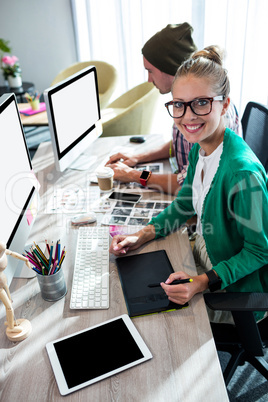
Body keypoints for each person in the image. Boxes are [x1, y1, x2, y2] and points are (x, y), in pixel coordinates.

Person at [109, 46, 268, 323]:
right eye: (179, 104)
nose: (188, 116)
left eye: (202, 103)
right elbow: (185, 202)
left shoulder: (241, 172)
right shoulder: (201, 147)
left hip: (236, 288)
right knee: (126, 286)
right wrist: (142, 234)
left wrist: (201, 282)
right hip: (208, 252)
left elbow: (259, 251)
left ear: (225, 104)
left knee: (152, 321)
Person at [106, 23, 242, 195]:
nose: (148, 79)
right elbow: (180, 142)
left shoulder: (209, 116)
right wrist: (137, 158)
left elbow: (188, 187)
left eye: (150, 71)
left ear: (168, 69)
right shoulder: (188, 105)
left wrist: (134, 175)